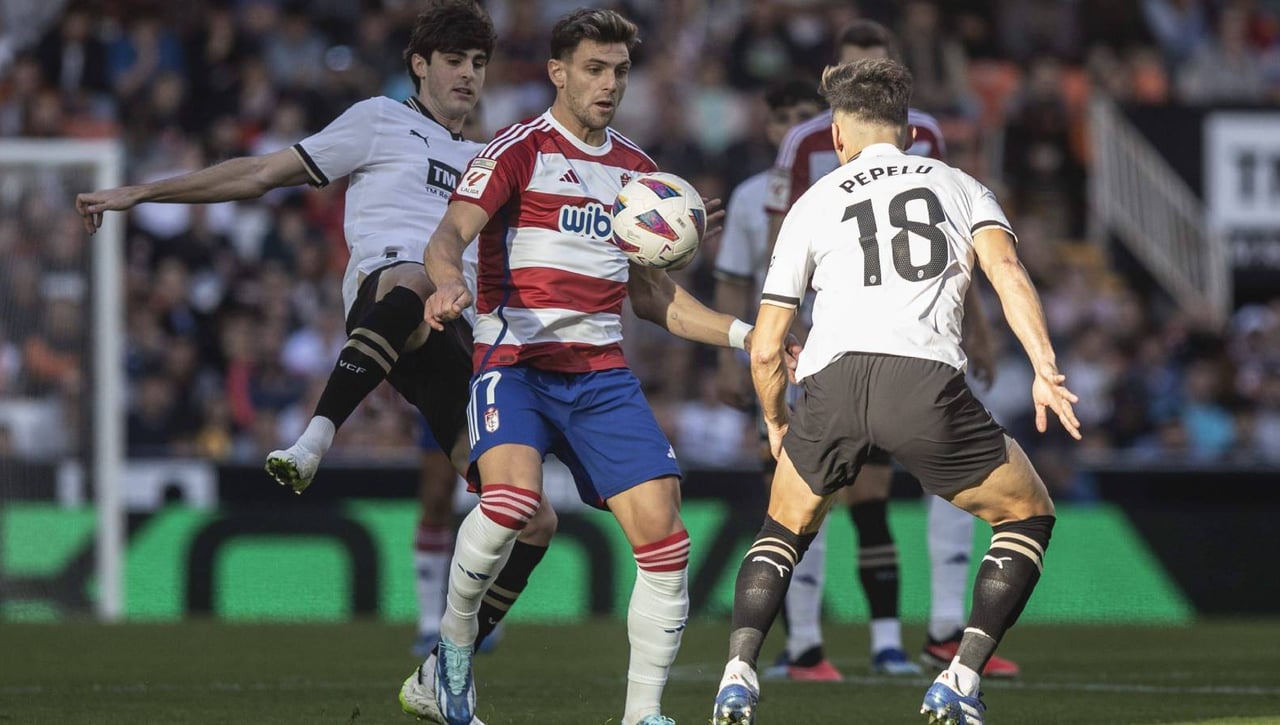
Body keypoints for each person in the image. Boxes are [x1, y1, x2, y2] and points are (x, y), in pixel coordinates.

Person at [75, 3, 548, 719]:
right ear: (419, 65)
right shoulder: (379, 120)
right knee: (414, 276)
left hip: (454, 337)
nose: (468, 76)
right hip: (386, 296)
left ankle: (442, 669)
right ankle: (315, 437)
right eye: (454, 60)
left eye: (479, 64)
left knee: (533, 519)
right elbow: (261, 173)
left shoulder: (489, 161)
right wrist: (142, 191)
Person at [408, 9, 755, 725]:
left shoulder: (638, 173)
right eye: (595, 69)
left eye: (620, 71)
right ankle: (451, 654)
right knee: (511, 506)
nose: (610, 84)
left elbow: (655, 300)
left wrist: (748, 333)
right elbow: (447, 237)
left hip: (599, 376)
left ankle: (642, 714)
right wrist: (445, 282)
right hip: (515, 362)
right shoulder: (517, 150)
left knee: (666, 536)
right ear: (558, 73)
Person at [711, 57, 1080, 725]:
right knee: (1027, 514)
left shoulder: (811, 203)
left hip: (831, 382)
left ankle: (737, 676)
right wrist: (1044, 366)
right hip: (923, 382)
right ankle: (959, 677)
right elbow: (1006, 271)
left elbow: (766, 344)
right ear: (908, 132)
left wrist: (775, 419)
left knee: (782, 528)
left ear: (838, 137)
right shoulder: (960, 185)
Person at [750, 19, 1011, 680]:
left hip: (908, 337)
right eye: (855, 62)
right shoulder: (804, 143)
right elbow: (782, 245)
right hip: (832, 337)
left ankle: (927, 631)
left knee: (871, 492)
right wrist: (781, 331)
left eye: (877, 60)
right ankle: (806, 642)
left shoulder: (926, 136)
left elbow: (955, 249)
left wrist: (977, 330)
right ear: (835, 75)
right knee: (812, 501)